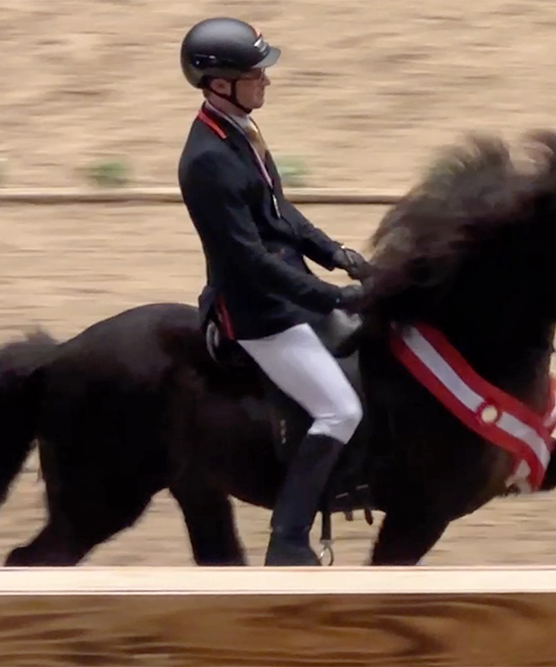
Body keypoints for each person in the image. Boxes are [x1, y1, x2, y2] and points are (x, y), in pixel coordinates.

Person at [177, 17, 371, 566]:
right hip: (257, 311)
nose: (266, 80)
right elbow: (249, 261)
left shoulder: (240, 129)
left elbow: (279, 213)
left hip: (290, 289)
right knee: (339, 411)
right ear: (219, 84)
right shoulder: (206, 160)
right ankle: (288, 539)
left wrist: (340, 256)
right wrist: (330, 298)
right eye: (255, 73)